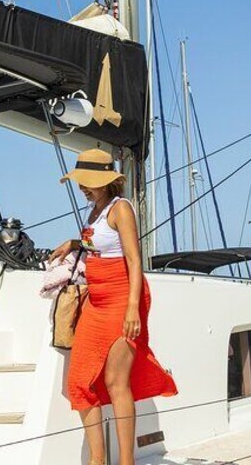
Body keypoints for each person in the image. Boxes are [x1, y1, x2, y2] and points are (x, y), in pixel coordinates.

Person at [50, 149, 177, 465]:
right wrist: (74, 243)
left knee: (115, 382)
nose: (83, 188)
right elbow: (100, 244)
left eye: (88, 182)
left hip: (123, 298)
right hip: (97, 301)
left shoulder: (120, 209)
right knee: (79, 382)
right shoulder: (94, 210)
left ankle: (126, 461)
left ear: (106, 181)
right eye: (81, 182)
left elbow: (134, 259)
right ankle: (98, 459)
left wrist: (133, 308)